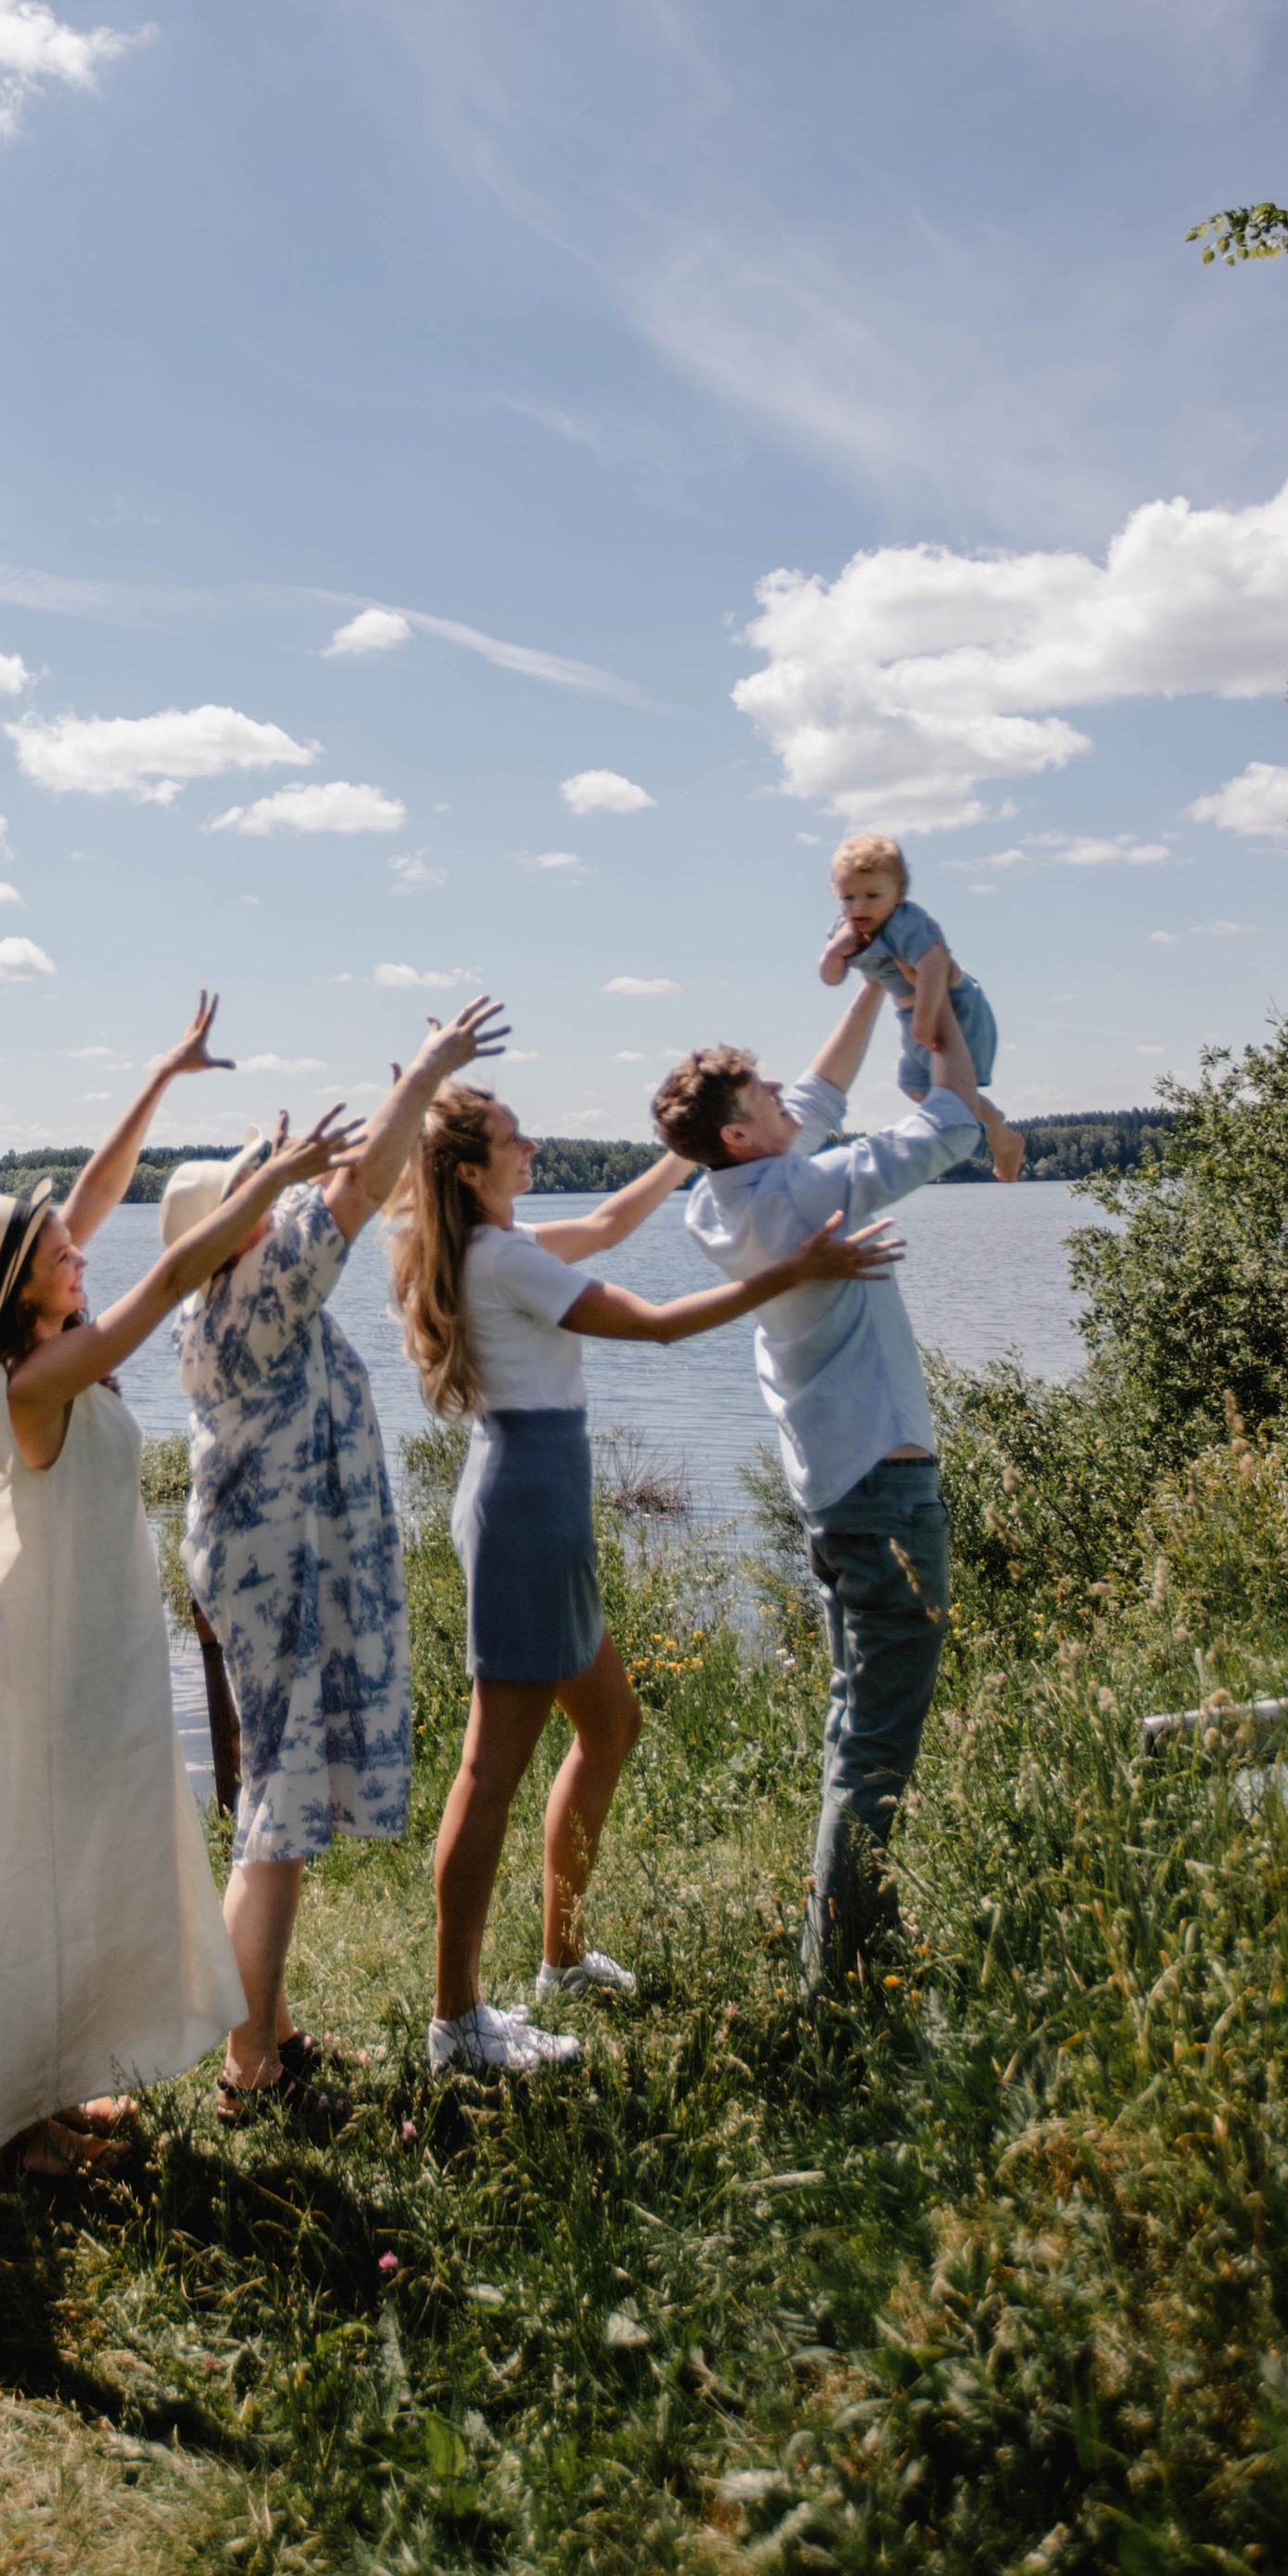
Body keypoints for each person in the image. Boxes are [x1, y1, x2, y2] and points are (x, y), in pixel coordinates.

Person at [390, 1094, 898, 2073]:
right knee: (488, 1768)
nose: (532, 1142)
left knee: (611, 1723)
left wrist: (679, 1155)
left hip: (537, 1491)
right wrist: (791, 1271)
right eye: (512, 1137)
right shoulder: (504, 1259)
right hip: (526, 1507)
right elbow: (659, 1327)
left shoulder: (497, 1242)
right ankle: (455, 2026)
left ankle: (561, 1961)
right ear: (467, 1169)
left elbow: (616, 1222)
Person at [0, 991, 348, 2178]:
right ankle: (16, 2133)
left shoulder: (42, 1339)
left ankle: (59, 2094)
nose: (84, 1246)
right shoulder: (42, 1375)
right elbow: (171, 1277)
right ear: (29, 1286)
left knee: (87, 1875)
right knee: (32, 1891)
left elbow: (98, 1192)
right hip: (35, 1680)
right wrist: (270, 1187)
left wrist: (163, 1074)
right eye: (63, 1252)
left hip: (83, 1662)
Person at [171, 996, 510, 2124]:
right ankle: (246, 2073)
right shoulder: (256, 1294)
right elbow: (360, 1184)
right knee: (273, 1818)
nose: (281, 1203)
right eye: (258, 1194)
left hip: (267, 1577)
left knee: (281, 1811)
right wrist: (429, 1065)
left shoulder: (239, 1302)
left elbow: (353, 1188)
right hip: (277, 1586)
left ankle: (265, 2033)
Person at [657, 972, 982, 1990]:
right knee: (879, 1738)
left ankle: (844, 1942)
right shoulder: (803, 1191)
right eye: (761, 1099)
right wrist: (932, 1006)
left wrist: (875, 985)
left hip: (835, 1497)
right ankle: (836, 1978)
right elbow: (949, 1126)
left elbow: (821, 1092)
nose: (783, 1101)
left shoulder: (718, 1204)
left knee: (855, 1725)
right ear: (743, 1135)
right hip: (883, 1498)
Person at [820, 830, 1023, 1182]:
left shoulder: (905, 922)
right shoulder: (844, 928)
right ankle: (999, 1132)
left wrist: (926, 1020)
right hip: (909, 1013)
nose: (859, 906)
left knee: (954, 1094)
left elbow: (933, 965)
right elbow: (832, 977)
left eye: (872, 895)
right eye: (847, 897)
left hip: (953, 1006)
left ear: (898, 896)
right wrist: (835, 950)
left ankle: (1003, 1141)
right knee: (916, 1088)